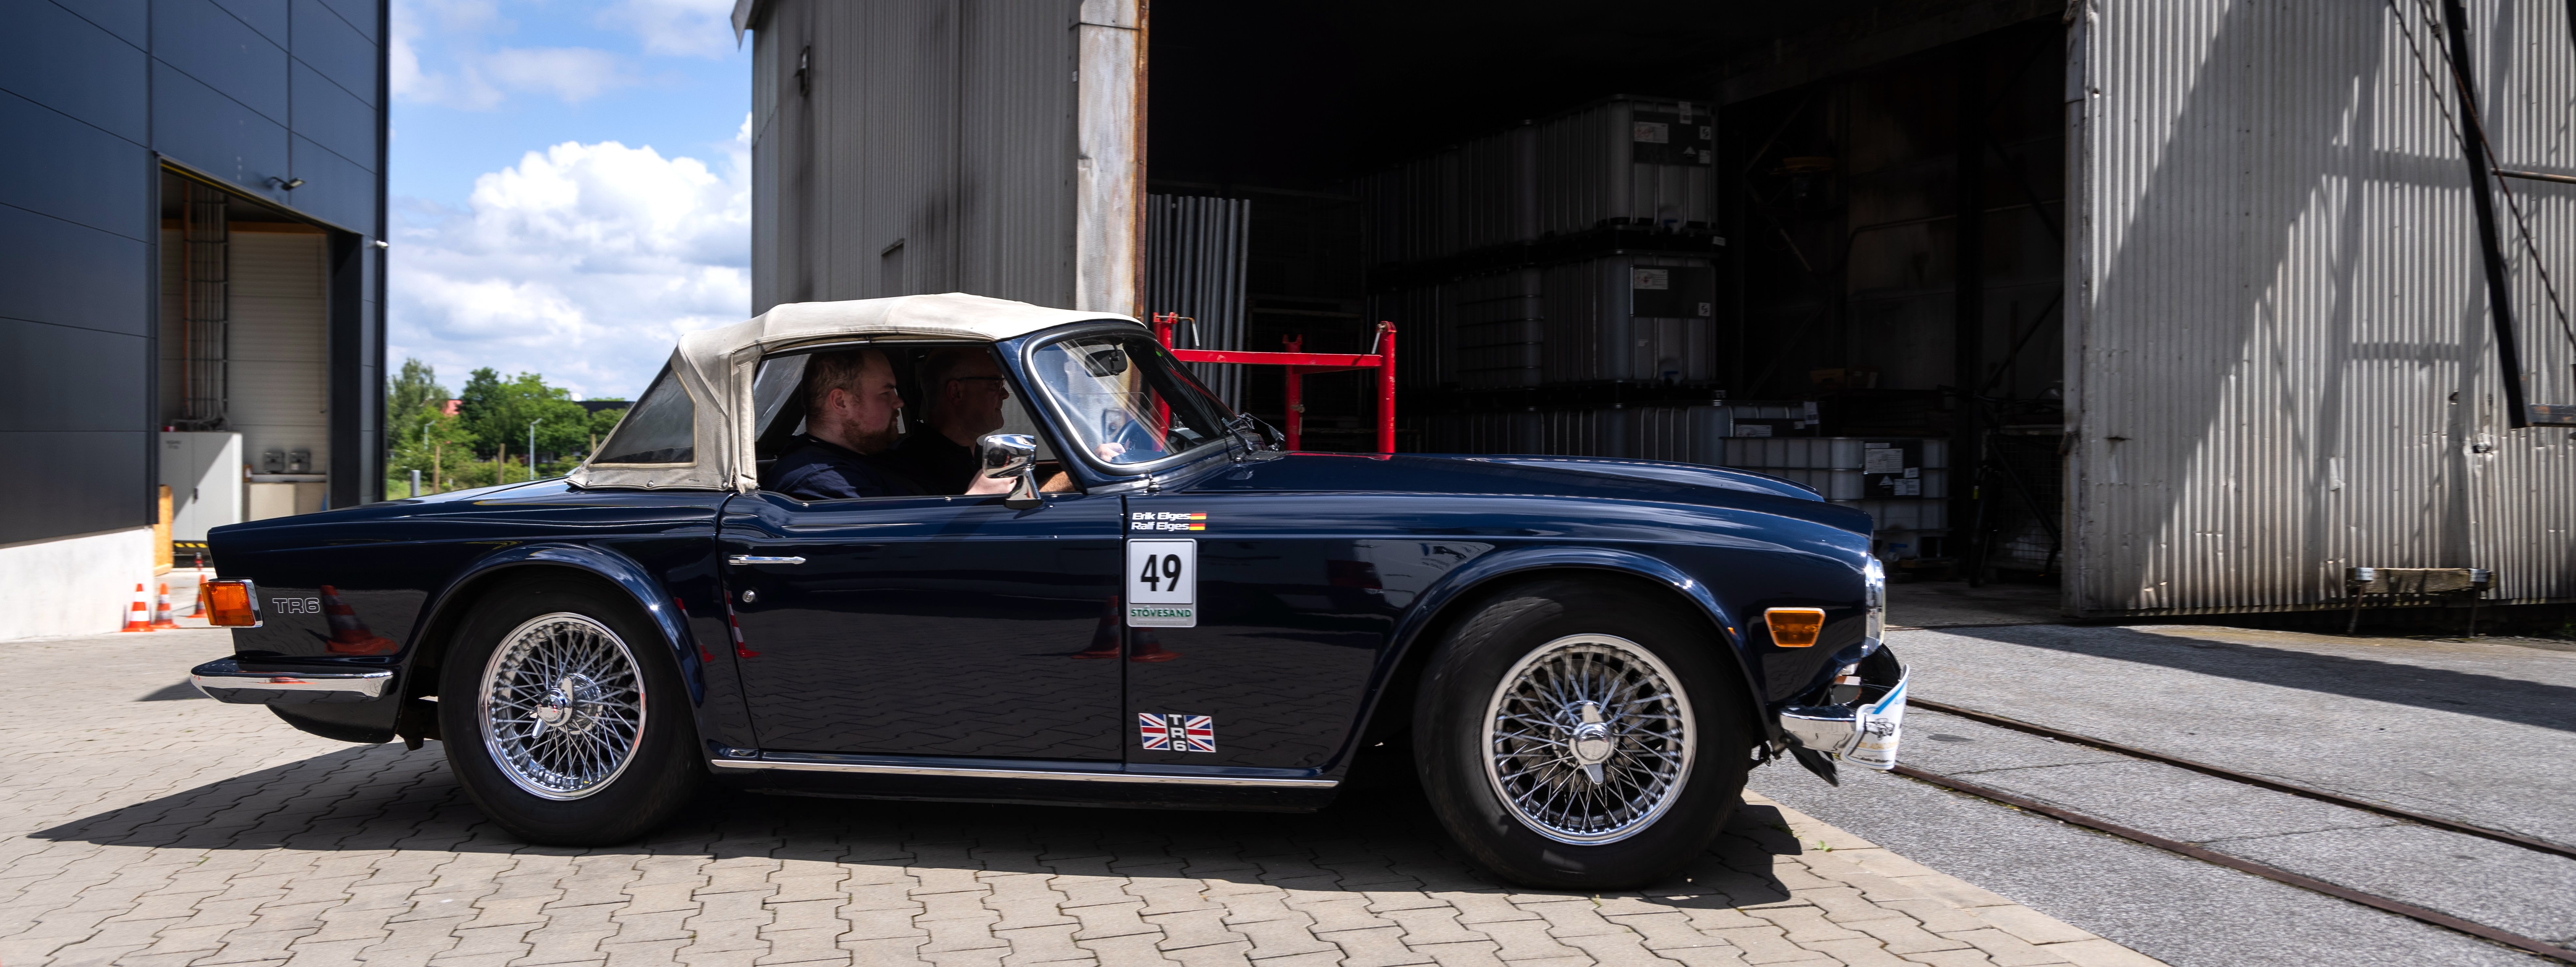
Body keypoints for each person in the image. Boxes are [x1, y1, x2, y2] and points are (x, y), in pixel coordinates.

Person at [769, 349, 926, 501]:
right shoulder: (822, 481)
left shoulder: (870, 453)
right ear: (841, 402)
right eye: (886, 393)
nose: (899, 403)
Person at [890, 348, 1015, 493]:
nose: (1005, 394)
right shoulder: (910, 469)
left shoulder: (986, 457)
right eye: (995, 384)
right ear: (956, 392)